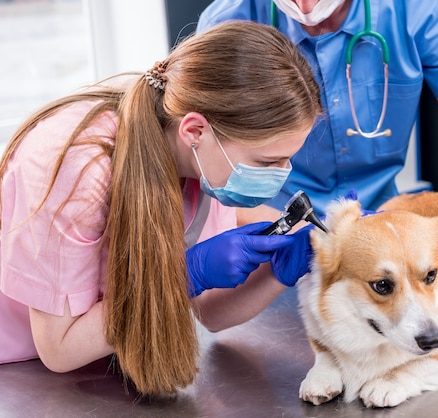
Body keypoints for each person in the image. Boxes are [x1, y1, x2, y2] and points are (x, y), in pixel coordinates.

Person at [0, 21, 322, 396]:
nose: (281, 177)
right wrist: (185, 274)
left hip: (101, 360)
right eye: (267, 162)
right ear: (195, 131)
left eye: (287, 161)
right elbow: (60, 348)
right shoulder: (76, 168)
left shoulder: (204, 163)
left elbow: (211, 313)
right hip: (24, 371)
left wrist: (279, 272)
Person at [197, 0, 438, 327]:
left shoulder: (418, 11)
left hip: (386, 245)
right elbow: (213, 171)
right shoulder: (229, 20)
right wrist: (298, 243)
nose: (307, 6)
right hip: (273, 248)